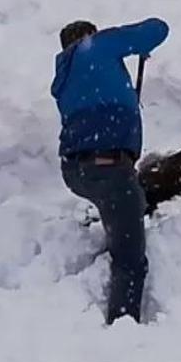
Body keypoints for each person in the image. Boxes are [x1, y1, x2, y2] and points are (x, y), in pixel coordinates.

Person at [51, 17, 169, 325]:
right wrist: (137, 46)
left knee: (126, 202)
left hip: (79, 171)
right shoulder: (96, 47)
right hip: (110, 168)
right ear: (91, 36)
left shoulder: (63, 79)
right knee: (130, 261)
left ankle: (117, 218)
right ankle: (123, 332)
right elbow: (157, 29)